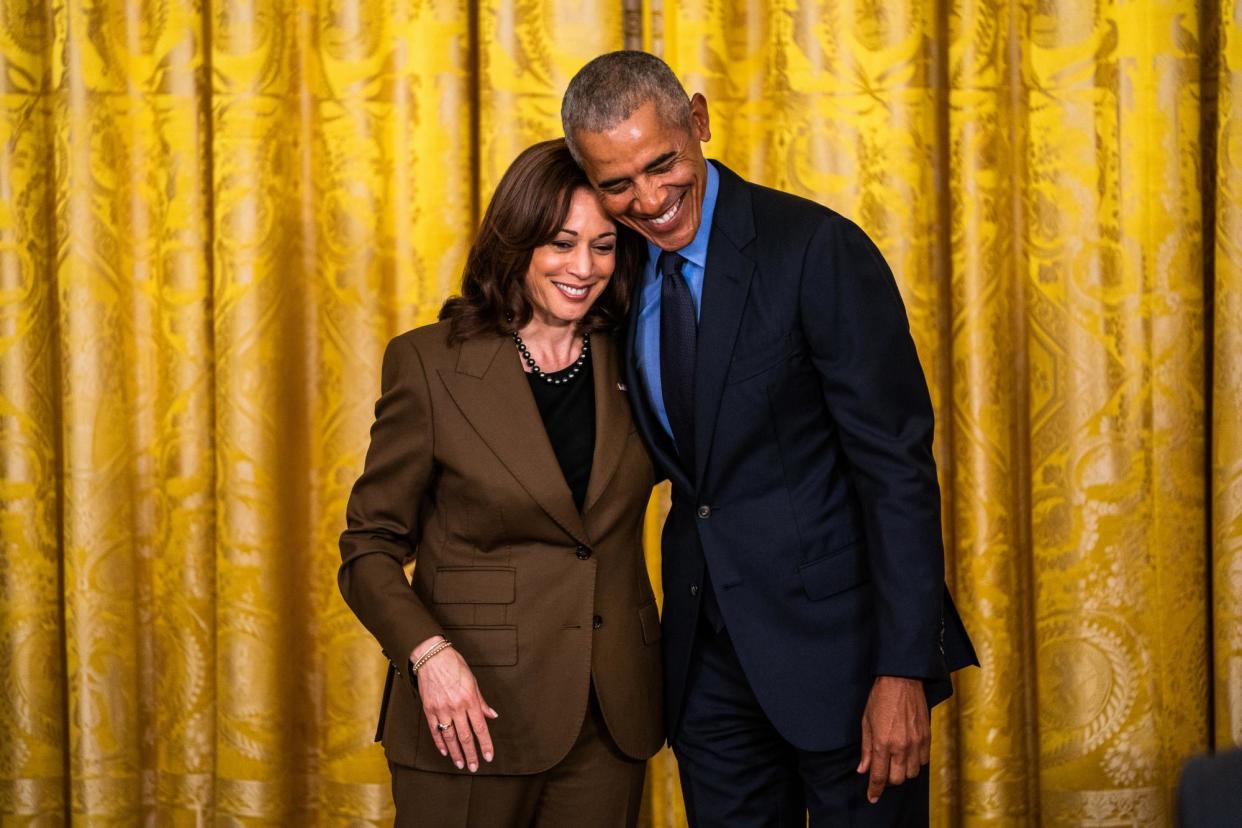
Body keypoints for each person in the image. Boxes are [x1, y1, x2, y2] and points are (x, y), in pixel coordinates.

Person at [561, 52, 979, 826]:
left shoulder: (815, 250)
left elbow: (896, 471)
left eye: (662, 164)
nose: (649, 200)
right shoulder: (615, 280)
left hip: (847, 663)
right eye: (617, 184)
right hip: (708, 676)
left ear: (700, 120)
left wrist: (903, 671)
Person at [337, 138, 663, 827]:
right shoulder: (430, 365)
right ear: (517, 243)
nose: (584, 268)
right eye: (561, 243)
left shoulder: (641, 356)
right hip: (471, 711)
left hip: (612, 715)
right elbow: (367, 547)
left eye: (604, 247)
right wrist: (428, 655)